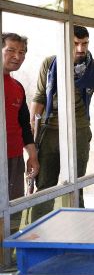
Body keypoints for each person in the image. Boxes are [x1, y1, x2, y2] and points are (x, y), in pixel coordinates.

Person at [30, 26, 94, 219]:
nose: (81, 49)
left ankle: (76, 228)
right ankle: (38, 235)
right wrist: (32, 135)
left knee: (76, 184)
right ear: (66, 42)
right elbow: (39, 98)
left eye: (85, 43)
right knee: (45, 186)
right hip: (50, 131)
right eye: (76, 44)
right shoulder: (50, 63)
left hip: (79, 130)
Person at [2, 33, 39, 204]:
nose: (17, 57)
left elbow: (24, 124)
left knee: (12, 214)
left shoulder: (17, 87)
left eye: (22, 52)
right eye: (11, 50)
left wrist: (32, 156)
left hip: (14, 158)